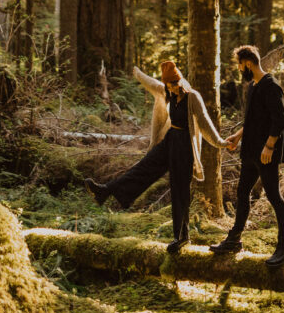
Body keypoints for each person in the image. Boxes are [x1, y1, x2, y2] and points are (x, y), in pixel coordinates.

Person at [85, 60, 228, 253]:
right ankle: (106, 191)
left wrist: (220, 142)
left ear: (181, 81)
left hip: (184, 147)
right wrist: (137, 73)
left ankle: (181, 237)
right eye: (170, 85)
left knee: (179, 191)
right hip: (170, 140)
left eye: (176, 83)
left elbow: (204, 124)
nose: (174, 87)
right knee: (143, 168)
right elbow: (152, 84)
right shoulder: (167, 93)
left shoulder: (192, 97)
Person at [210, 44, 284, 266]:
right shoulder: (254, 86)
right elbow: (253, 119)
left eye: (239, 64)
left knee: (274, 196)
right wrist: (238, 136)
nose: (239, 69)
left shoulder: (271, 85)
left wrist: (269, 147)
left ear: (248, 62)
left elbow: (279, 119)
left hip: (266, 152)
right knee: (242, 192)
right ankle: (234, 240)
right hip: (250, 151)